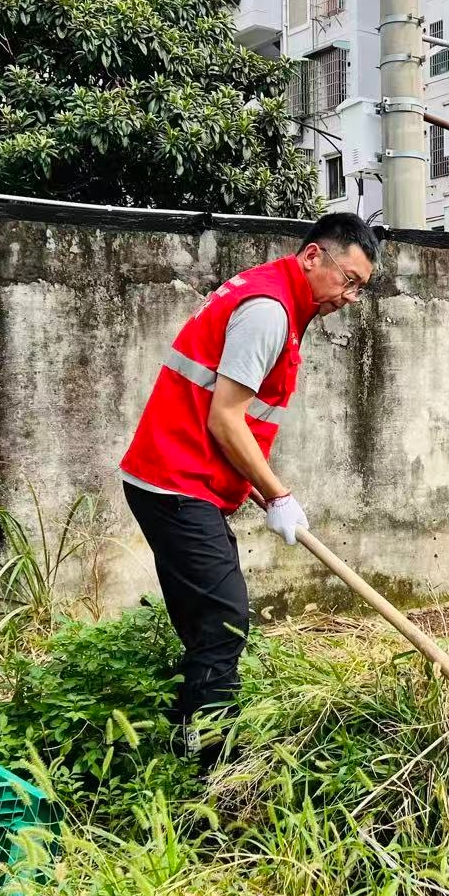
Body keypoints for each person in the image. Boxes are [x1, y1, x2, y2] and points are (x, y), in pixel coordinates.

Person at [120, 213, 379, 768]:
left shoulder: (272, 295)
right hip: (176, 481)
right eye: (348, 279)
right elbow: (226, 419)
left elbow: (229, 418)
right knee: (225, 620)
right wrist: (280, 494)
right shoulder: (268, 311)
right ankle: (211, 763)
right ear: (313, 256)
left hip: (177, 478)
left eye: (360, 287)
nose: (351, 297)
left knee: (206, 622)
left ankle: (182, 733)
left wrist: (258, 486)